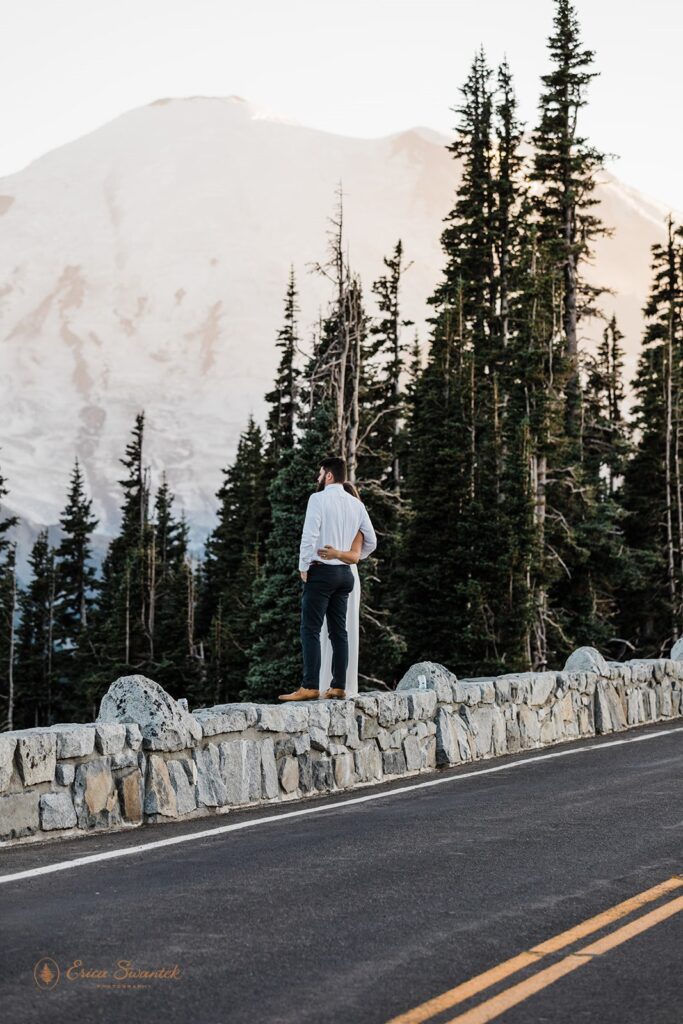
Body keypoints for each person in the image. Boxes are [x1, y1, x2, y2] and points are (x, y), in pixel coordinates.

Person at [278, 457, 376, 702]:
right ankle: (339, 685)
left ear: (329, 475)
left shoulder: (318, 499)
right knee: (338, 631)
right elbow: (372, 541)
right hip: (345, 574)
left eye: (320, 473)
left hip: (321, 572)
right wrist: (350, 559)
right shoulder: (356, 504)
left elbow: (309, 534)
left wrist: (303, 566)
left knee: (310, 628)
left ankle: (310, 685)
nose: (318, 478)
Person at [317, 482, 363, 696]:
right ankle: (325, 682)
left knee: (343, 629)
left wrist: (335, 554)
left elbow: (354, 556)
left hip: (346, 574)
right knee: (327, 630)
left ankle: (341, 684)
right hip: (332, 574)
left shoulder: (357, 526)